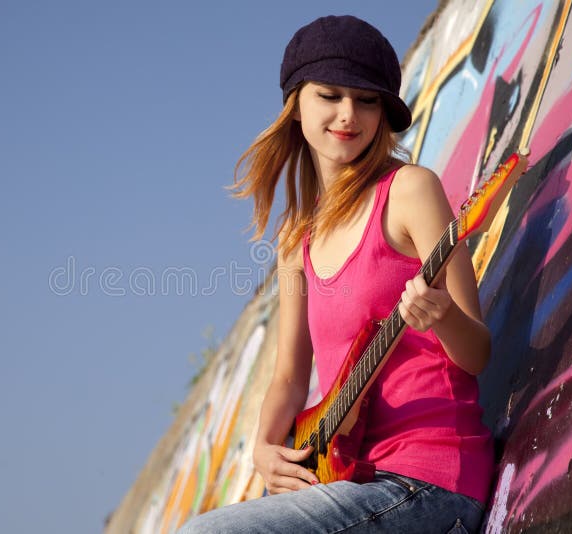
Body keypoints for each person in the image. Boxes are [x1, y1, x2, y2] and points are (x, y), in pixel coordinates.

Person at [179, 15, 494, 534]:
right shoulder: (295, 241)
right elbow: (289, 376)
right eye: (330, 95)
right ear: (296, 104)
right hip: (348, 481)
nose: (349, 114)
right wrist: (263, 450)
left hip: (430, 484)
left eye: (368, 100)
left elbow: (477, 352)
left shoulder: (410, 191)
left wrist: (440, 317)